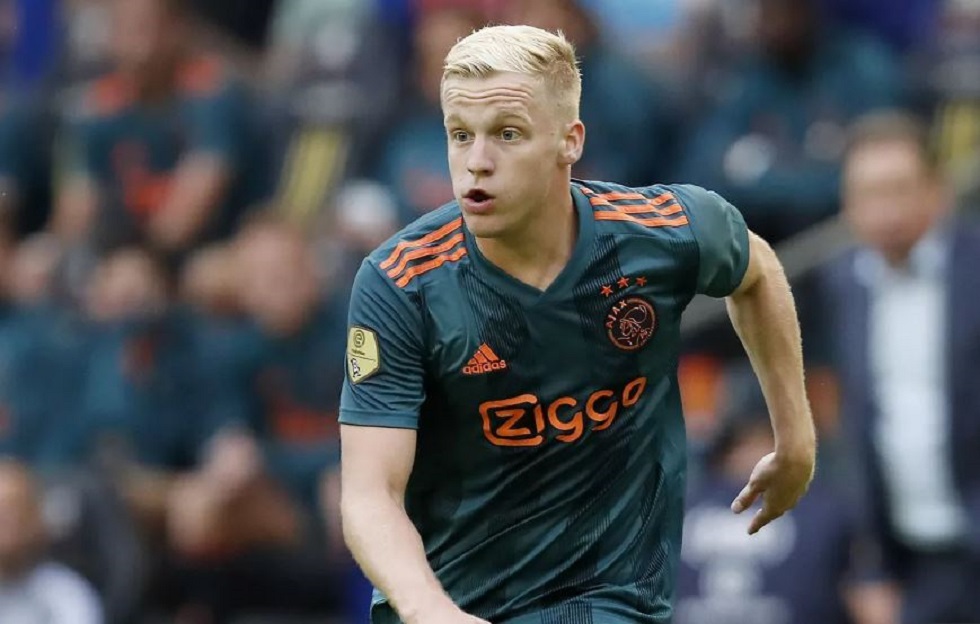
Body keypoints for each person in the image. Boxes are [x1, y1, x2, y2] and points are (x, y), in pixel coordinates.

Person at [339, 25, 816, 624]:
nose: (477, 162)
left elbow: (758, 270)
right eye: (460, 135)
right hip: (446, 601)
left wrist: (795, 441)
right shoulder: (401, 282)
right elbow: (369, 494)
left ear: (570, 141)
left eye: (507, 134)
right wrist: (430, 609)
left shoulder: (659, 233)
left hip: (607, 598)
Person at [819, 110, 980, 624]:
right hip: (909, 558)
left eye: (898, 189)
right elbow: (857, 422)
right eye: (868, 193)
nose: (884, 209)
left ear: (937, 191)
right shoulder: (844, 282)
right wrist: (870, 566)